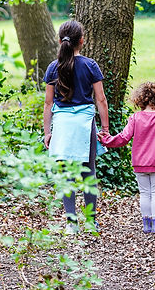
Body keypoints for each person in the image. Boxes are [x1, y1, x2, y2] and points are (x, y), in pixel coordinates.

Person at [43, 20, 109, 232]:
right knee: (88, 173)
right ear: (82, 41)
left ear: (60, 40)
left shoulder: (54, 67)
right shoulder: (90, 66)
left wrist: (47, 132)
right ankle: (90, 221)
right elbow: (101, 100)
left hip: (61, 126)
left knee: (66, 174)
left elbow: (48, 103)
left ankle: (71, 222)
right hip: (84, 125)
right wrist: (105, 129)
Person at [99, 82, 155, 234]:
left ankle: (146, 225)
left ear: (140, 100)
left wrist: (106, 140)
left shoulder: (135, 118)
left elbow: (124, 137)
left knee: (144, 193)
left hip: (139, 163)